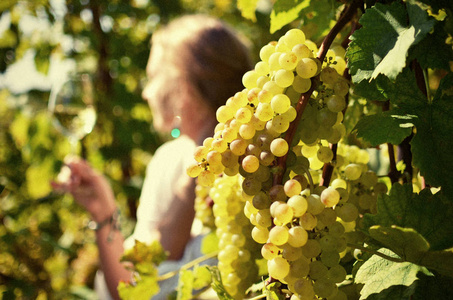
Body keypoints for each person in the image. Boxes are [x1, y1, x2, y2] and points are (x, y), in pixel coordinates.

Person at [52, 14, 252, 299]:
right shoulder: (170, 161)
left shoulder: (253, 162)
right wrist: (104, 212)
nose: (146, 92)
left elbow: (141, 290)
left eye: (153, 77)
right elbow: (134, 286)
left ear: (182, 88)